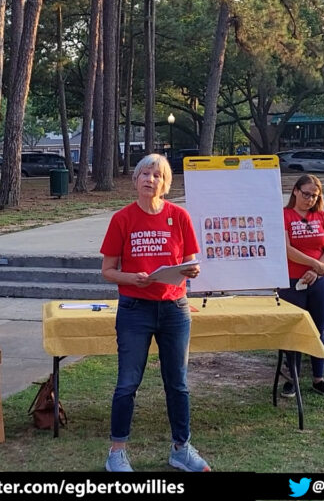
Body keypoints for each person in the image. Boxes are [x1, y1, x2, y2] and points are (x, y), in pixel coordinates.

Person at [100, 154, 209, 473]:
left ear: (166, 184)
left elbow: (190, 262)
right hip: (135, 308)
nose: (150, 179)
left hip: (174, 307)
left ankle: (181, 448)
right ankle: (117, 451)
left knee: (178, 383)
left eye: (157, 175)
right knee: (127, 383)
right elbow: (107, 270)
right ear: (135, 180)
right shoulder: (122, 219)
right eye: (144, 173)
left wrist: (192, 271)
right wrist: (131, 278)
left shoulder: (180, 216)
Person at [279, 174, 324, 398]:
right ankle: (291, 378)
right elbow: (287, 248)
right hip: (293, 280)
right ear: (295, 191)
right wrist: (312, 264)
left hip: (320, 279)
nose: (310, 199)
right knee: (293, 328)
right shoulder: (285, 215)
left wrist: (317, 269)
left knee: (317, 328)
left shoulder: (322, 216)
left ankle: (318, 378)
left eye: (315, 195)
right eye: (306, 194)